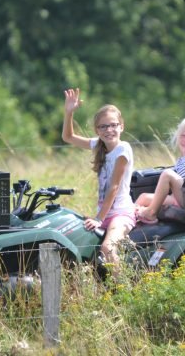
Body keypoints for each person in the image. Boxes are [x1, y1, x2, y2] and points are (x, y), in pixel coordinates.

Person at [62, 88, 136, 273]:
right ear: (97, 130)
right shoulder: (99, 145)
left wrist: (98, 218)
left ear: (122, 126)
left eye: (113, 125)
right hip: (104, 214)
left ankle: (124, 291)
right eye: (103, 126)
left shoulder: (123, 150)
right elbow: (68, 137)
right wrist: (69, 112)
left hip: (121, 214)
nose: (109, 130)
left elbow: (114, 187)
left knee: (107, 248)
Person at [135, 114, 185, 224]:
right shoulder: (181, 160)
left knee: (167, 174)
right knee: (143, 197)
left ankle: (151, 213)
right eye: (183, 135)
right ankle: (131, 221)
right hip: (180, 198)